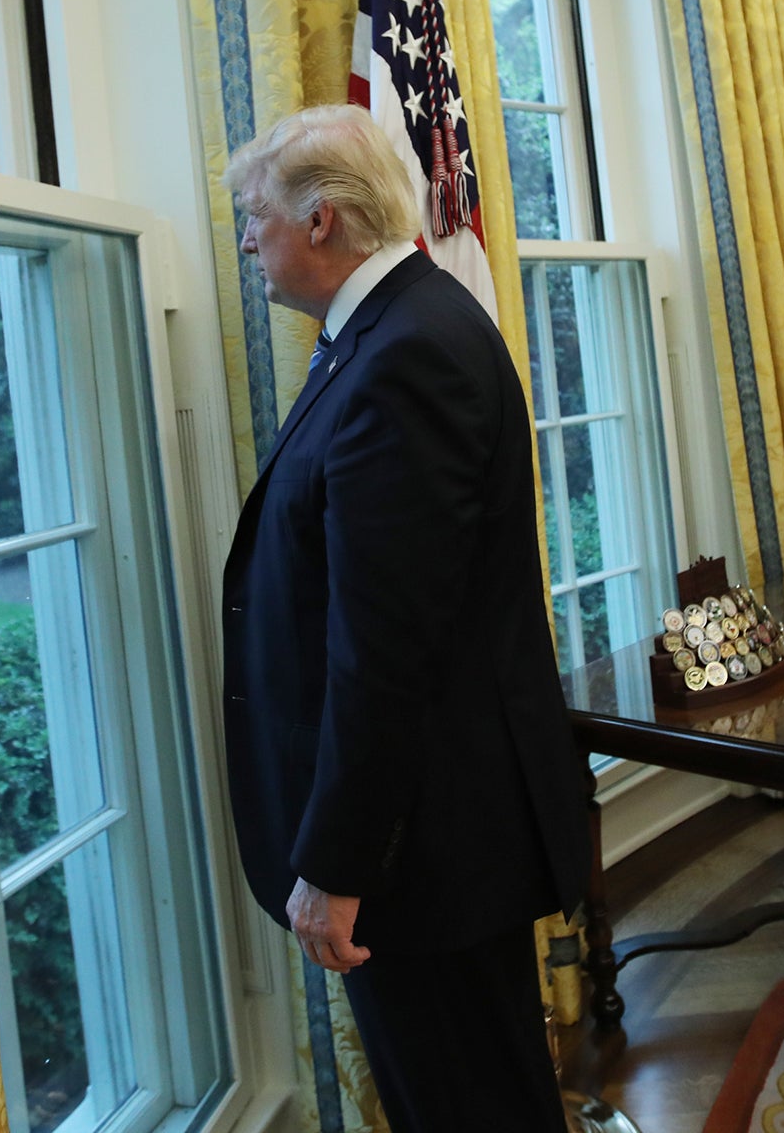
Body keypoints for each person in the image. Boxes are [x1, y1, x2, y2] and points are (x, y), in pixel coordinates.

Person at [220, 104, 590, 1132]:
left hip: (421, 851)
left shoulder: (403, 355)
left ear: (323, 221)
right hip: (429, 832)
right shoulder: (391, 332)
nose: (249, 239)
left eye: (256, 216)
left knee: (467, 1106)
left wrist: (336, 868)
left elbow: (386, 652)